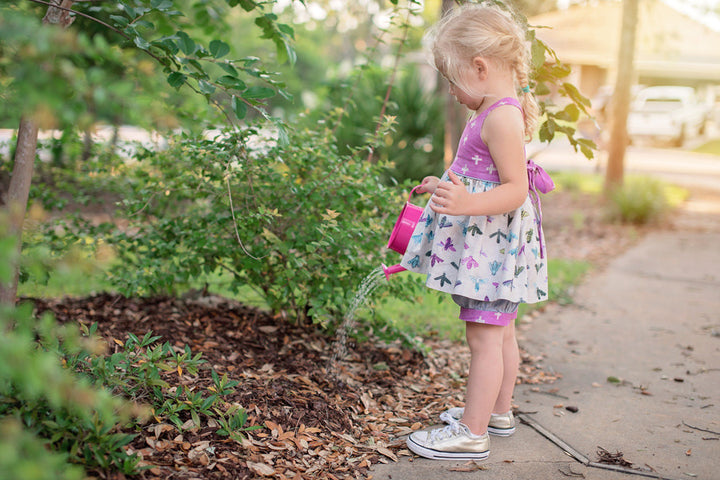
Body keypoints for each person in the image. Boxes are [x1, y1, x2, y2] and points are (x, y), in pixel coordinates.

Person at [401, 2, 554, 461]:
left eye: (452, 79)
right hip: (489, 247)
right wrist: (443, 184)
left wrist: (466, 204)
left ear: (480, 67)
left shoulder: (501, 117)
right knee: (501, 331)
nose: (450, 90)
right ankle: (498, 413)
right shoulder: (491, 110)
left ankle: (472, 432)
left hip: (493, 247)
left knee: (484, 338)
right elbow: (479, 173)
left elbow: (514, 191)